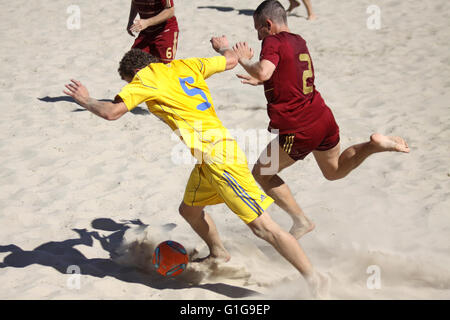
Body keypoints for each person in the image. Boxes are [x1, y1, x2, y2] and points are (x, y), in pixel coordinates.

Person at [63, 38, 328, 297]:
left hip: (219, 159)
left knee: (263, 228)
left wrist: (85, 100)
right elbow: (230, 61)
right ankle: (218, 253)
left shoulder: (144, 79)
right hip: (208, 158)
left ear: (134, 73)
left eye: (129, 82)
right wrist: (224, 46)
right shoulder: (186, 66)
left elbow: (112, 112)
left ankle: (314, 279)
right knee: (189, 210)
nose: (132, 88)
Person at [232, 0, 410, 239]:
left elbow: (264, 70)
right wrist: (263, 80)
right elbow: (285, 72)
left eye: (258, 29)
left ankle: (301, 221)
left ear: (268, 24)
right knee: (334, 171)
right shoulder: (299, 40)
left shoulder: (271, 41)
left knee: (262, 173)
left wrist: (244, 60)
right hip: (322, 117)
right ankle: (374, 145)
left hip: (297, 129)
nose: (258, 36)